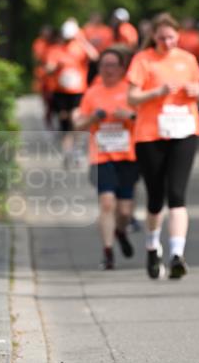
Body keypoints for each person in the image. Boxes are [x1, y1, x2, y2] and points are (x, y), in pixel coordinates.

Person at [127, 13, 199, 279]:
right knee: (155, 197)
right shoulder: (143, 59)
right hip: (150, 134)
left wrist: (196, 92)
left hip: (184, 131)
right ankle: (151, 246)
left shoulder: (187, 59)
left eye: (171, 37)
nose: (167, 42)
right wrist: (157, 92)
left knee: (177, 194)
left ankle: (176, 254)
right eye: (162, 38)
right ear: (154, 37)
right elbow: (132, 97)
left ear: (178, 35)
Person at [73, 48, 138, 270]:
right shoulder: (92, 93)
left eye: (112, 65)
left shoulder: (130, 91)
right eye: (104, 65)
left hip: (128, 155)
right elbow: (78, 124)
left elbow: (145, 121)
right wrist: (93, 117)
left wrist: (129, 116)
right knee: (107, 203)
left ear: (121, 68)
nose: (108, 69)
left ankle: (120, 230)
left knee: (125, 210)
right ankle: (108, 252)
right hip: (101, 156)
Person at [44, 20, 99, 163]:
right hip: (60, 91)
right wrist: (56, 67)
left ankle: (77, 149)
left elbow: (95, 56)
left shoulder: (80, 47)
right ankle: (67, 151)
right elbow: (48, 68)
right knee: (64, 121)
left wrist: (82, 40)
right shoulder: (56, 50)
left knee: (76, 119)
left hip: (78, 91)